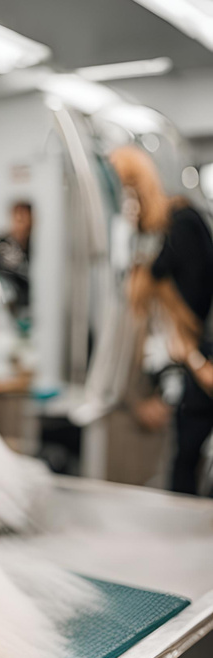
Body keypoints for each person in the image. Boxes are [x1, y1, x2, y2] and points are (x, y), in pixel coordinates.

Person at [111, 145, 213, 495]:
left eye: (129, 192)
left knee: (186, 462)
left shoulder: (182, 225)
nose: (128, 206)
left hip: (197, 370)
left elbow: (186, 310)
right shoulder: (152, 244)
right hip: (183, 374)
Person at [0, 201, 32, 319]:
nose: (19, 218)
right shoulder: (2, 243)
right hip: (7, 300)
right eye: (16, 214)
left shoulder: (36, 244)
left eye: (23, 214)